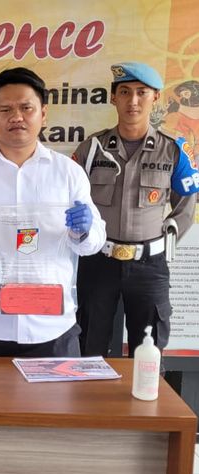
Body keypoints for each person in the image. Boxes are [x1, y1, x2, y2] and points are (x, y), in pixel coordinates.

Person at [0, 67, 106, 357]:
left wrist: (87, 228)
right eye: (5, 109)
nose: (16, 117)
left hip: (52, 330)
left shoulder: (68, 174)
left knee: (54, 405)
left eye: (26, 108)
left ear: (43, 113)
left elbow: (95, 240)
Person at [73, 62, 199, 357]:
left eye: (142, 92)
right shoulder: (93, 148)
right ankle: (90, 402)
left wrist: (164, 242)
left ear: (155, 97)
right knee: (89, 345)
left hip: (149, 267)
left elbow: (185, 207)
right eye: (125, 92)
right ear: (113, 97)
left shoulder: (174, 150)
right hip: (97, 262)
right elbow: (73, 199)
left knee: (149, 351)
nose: (133, 101)